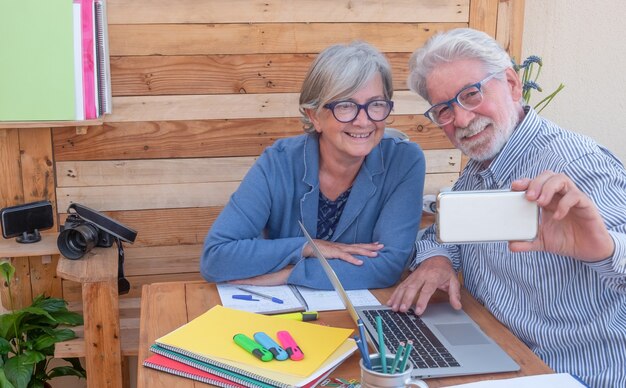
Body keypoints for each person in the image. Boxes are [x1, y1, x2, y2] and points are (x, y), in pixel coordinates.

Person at [388, 28, 626, 387]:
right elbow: (445, 232)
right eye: (444, 110)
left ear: (512, 84)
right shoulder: (481, 165)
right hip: (501, 356)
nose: (463, 120)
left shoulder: (578, 164)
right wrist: (437, 259)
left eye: (471, 94)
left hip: (576, 374)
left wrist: (603, 249)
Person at [201, 41, 426, 290]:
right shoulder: (279, 161)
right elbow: (217, 257)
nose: (364, 121)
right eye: (345, 106)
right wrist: (308, 247)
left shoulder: (404, 161)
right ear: (314, 116)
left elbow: (388, 267)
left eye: (375, 104)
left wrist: (291, 273)